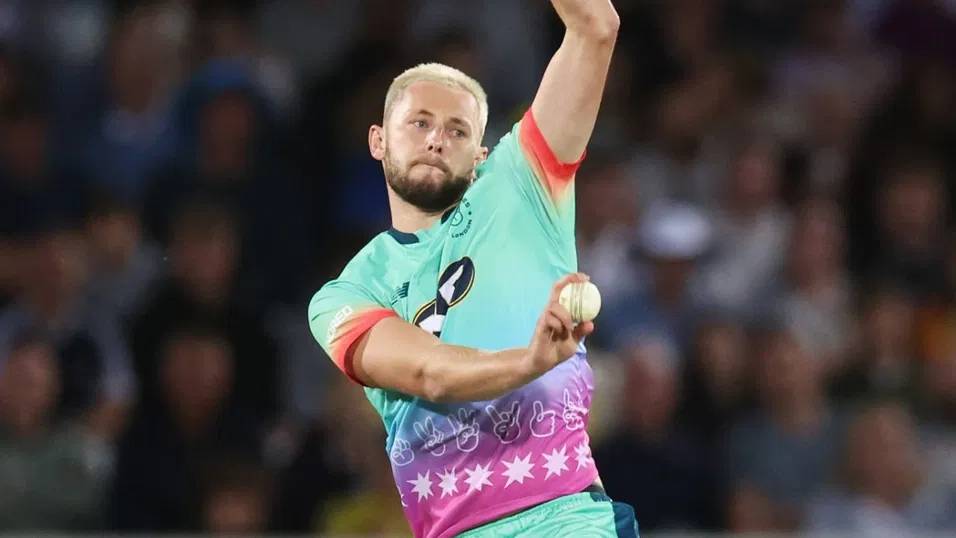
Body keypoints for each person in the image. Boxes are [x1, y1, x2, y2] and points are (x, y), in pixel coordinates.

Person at [307, 2, 636, 537]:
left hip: (564, 518)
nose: (437, 138)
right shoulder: (347, 292)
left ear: (481, 155)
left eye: (458, 131)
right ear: (378, 141)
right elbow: (427, 373)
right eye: (419, 123)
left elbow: (596, 27)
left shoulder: (520, 185)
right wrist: (528, 362)